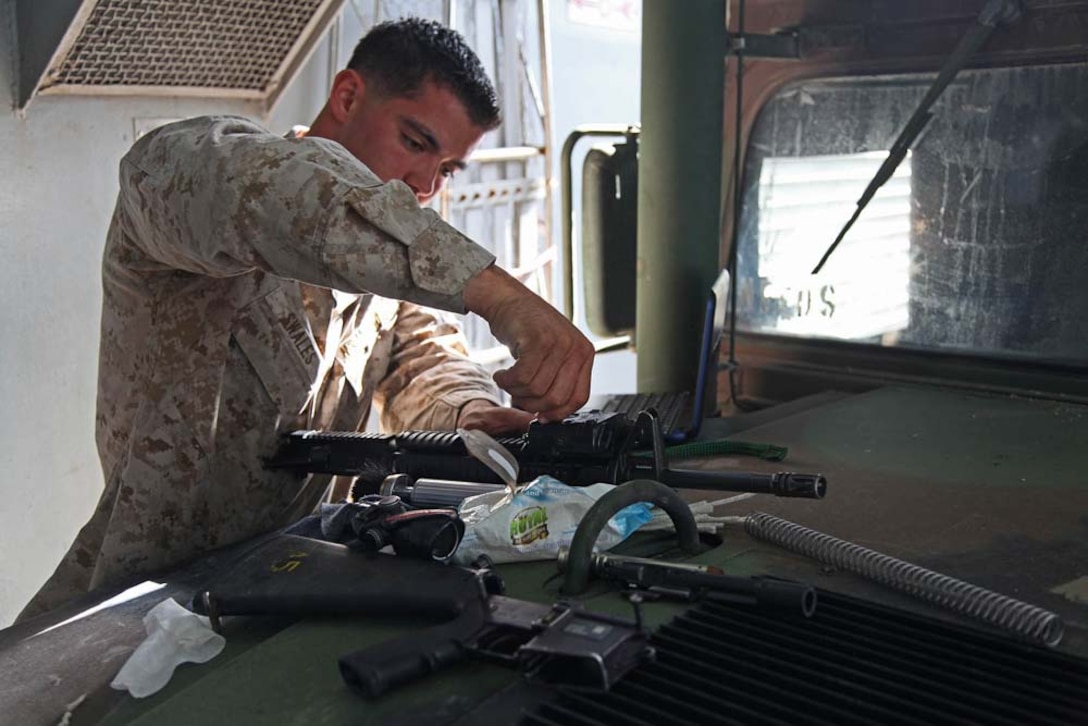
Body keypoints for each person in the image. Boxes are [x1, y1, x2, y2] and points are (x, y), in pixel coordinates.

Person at [18, 18, 593, 620]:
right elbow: (276, 196)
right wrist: (499, 294)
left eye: (447, 168)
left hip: (288, 582)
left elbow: (426, 359)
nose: (426, 184)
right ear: (346, 97)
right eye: (417, 141)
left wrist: (474, 415)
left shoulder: (386, 276)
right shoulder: (205, 178)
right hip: (136, 608)